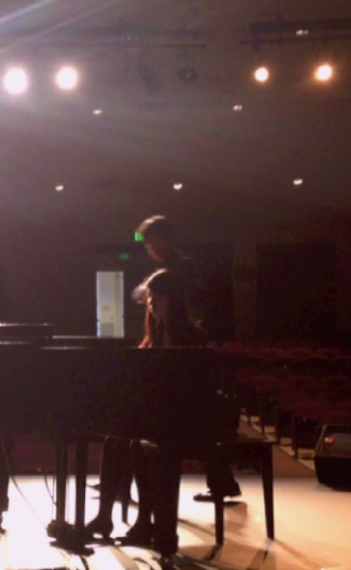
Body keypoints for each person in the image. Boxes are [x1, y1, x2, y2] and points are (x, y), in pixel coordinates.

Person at [135, 215, 240, 504]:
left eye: (152, 243)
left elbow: (187, 302)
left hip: (184, 338)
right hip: (178, 337)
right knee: (191, 407)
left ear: (166, 239)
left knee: (190, 406)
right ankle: (222, 481)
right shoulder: (170, 269)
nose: (150, 249)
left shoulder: (182, 268)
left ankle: (150, 495)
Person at [121, 269, 209, 548]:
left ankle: (156, 525)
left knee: (143, 443)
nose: (151, 303)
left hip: (187, 418)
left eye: (156, 297)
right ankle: (120, 518)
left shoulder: (191, 337)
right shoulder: (153, 337)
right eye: (149, 298)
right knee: (119, 440)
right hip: (163, 416)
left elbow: (190, 390)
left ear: (173, 299)